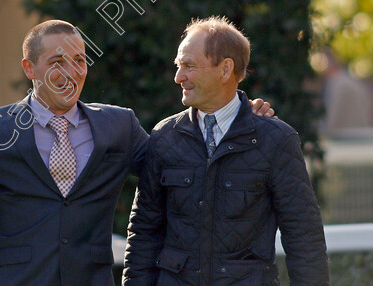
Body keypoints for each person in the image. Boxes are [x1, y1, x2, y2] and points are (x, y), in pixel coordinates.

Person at [0, 20, 273, 286]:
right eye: (57, 61)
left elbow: (179, 164)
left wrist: (235, 116)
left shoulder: (119, 126)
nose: (72, 71)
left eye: (79, 60)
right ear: (30, 69)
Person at [122, 16, 328, 285]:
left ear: (225, 69)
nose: (178, 77)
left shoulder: (276, 140)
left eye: (189, 66)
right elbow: (144, 233)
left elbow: (304, 237)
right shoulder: (164, 136)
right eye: (178, 65)